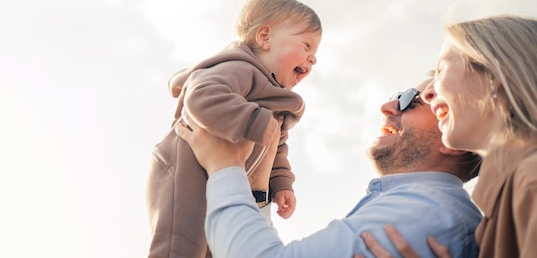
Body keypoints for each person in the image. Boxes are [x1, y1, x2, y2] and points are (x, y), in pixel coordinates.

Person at [175, 78, 483, 258]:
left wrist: (223, 165)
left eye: (410, 101)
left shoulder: (425, 211)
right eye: (396, 97)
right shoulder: (422, 205)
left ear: (453, 140)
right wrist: (257, 184)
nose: (388, 107)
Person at [145, 0, 323, 258]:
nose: (313, 59)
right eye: (306, 45)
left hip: (217, 176)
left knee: (212, 247)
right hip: (183, 169)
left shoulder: (274, 100)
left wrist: (281, 184)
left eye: (315, 53)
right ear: (265, 38)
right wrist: (253, 121)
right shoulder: (239, 68)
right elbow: (203, 96)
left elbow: (277, 150)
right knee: (181, 243)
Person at [357, 15, 537, 258]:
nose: (429, 95)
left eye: (442, 69)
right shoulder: (499, 209)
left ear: (496, 76)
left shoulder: (529, 181)